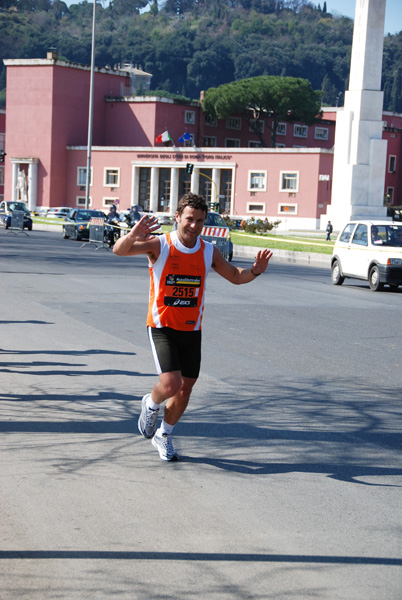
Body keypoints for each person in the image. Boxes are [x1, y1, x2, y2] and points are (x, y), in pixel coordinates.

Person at [113, 193, 273, 462]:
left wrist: (256, 270)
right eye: (189, 219)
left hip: (191, 330)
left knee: (185, 389)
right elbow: (120, 250)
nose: (194, 226)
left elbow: (235, 276)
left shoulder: (208, 250)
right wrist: (133, 234)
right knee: (171, 384)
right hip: (162, 326)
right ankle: (150, 404)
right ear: (177, 217)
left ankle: (164, 435)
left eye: (200, 220)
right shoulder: (160, 244)